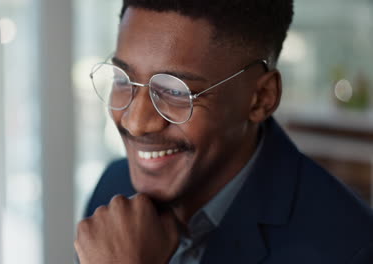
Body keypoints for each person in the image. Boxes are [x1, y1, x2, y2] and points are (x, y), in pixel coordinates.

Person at [74, 0, 373, 263]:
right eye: (123, 79)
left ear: (261, 98)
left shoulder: (348, 249)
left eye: (175, 91)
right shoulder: (113, 188)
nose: (136, 122)